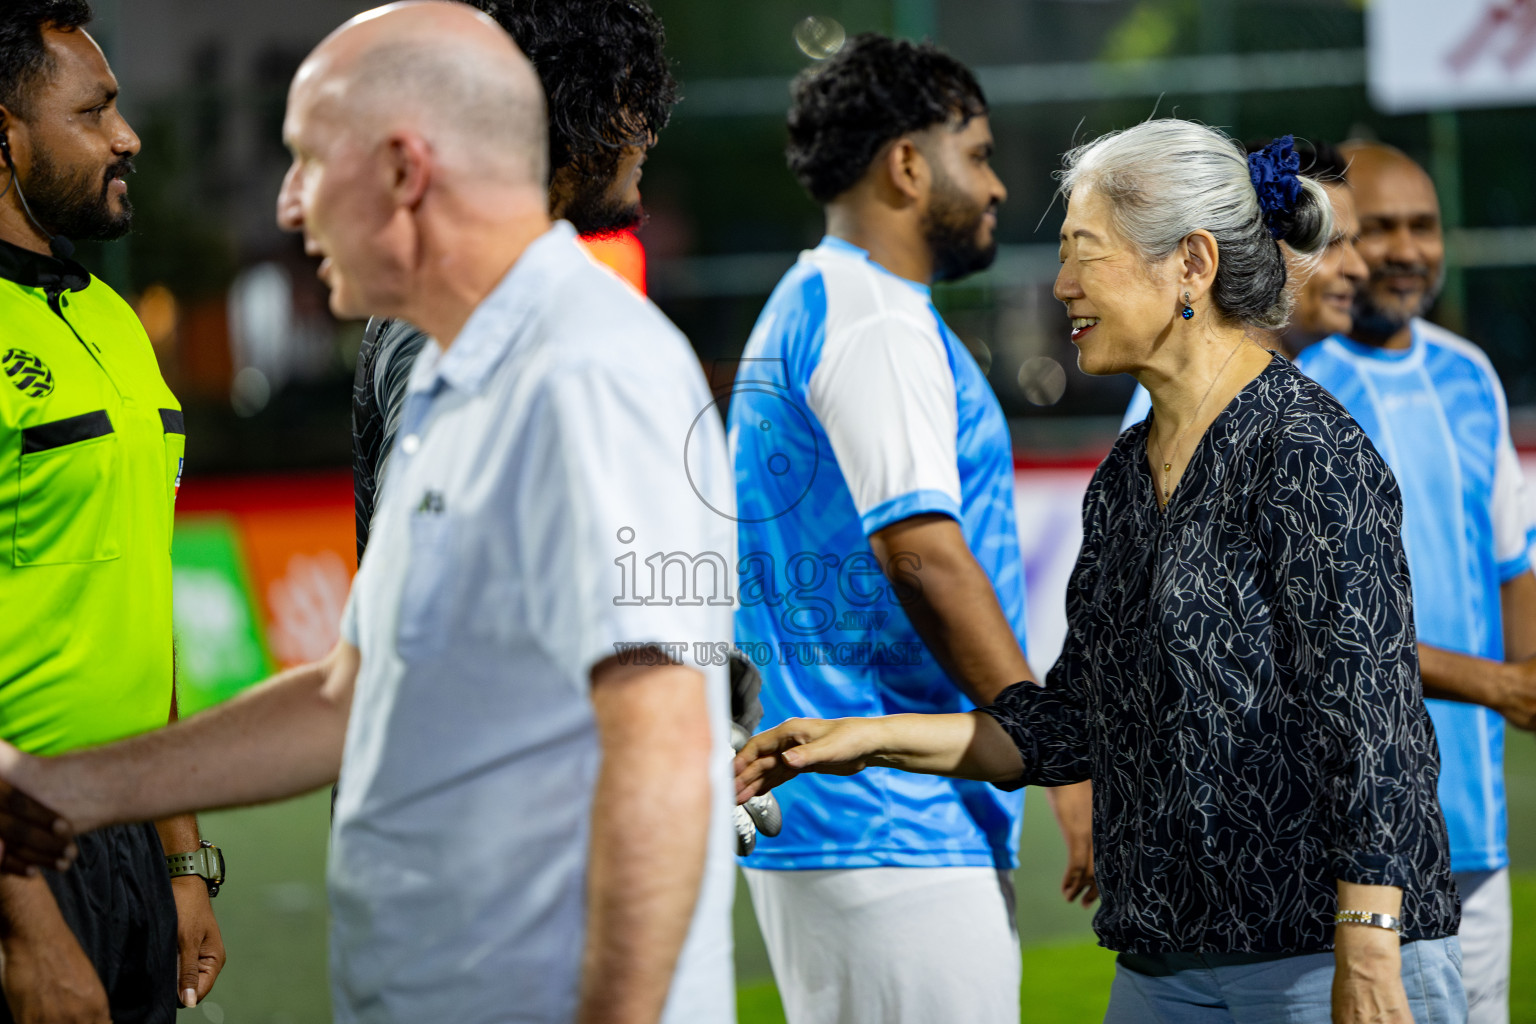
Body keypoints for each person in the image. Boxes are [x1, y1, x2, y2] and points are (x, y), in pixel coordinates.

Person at [0, 5, 736, 1023]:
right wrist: (64, 789)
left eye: (306, 159)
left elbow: (661, 749)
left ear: (401, 169)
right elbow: (357, 692)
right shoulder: (445, 374)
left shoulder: (590, 369)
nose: (291, 204)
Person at [736, 119, 1464, 1024]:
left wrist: (1366, 955)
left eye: (1087, 253)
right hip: (1161, 976)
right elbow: (1072, 726)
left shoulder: (1308, 448)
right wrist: (860, 738)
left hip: (1323, 970)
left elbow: (1376, 728)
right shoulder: (1123, 479)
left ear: (1191, 264)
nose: (1062, 285)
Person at [728, 33, 1093, 1024]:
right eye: (973, 154)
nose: (996, 187)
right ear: (904, 164)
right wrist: (1051, 742)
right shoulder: (873, 316)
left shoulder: (816, 301)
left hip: (858, 821)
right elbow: (923, 553)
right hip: (886, 826)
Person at [0, 3, 226, 1021]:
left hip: (131, 844)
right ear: (5, 137)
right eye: (94, 112)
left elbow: (143, 607)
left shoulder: (114, 318)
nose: (126, 136)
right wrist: (29, 924)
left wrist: (183, 855)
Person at [1292, 140, 1536, 1024]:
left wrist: (1526, 676)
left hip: (1472, 829)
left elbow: (1512, 559)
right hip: (1338, 839)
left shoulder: (1469, 375)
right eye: (1378, 228)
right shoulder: (1290, 382)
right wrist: (1497, 684)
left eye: (1422, 226)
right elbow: (1315, 623)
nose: (1402, 250)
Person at [351, 0, 677, 560]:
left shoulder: (505, 288)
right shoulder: (460, 306)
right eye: (626, 104)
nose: (646, 136)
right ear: (564, 117)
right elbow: (421, 577)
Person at [1121, 140, 1367, 428]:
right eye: (1327, 244)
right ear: (1255, 247)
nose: (1358, 268)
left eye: (1354, 243)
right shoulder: (1191, 398)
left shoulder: (1292, 384)